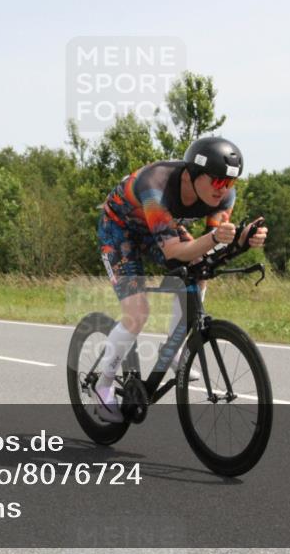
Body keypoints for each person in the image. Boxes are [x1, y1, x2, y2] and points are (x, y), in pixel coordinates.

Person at [93, 136, 268, 422]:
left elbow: (215, 250)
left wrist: (243, 240)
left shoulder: (224, 197)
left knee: (200, 271)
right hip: (120, 229)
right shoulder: (155, 184)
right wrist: (214, 238)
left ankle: (172, 348)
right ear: (193, 173)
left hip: (159, 228)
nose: (222, 190)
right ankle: (103, 385)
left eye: (230, 183)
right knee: (137, 313)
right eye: (217, 181)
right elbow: (175, 251)